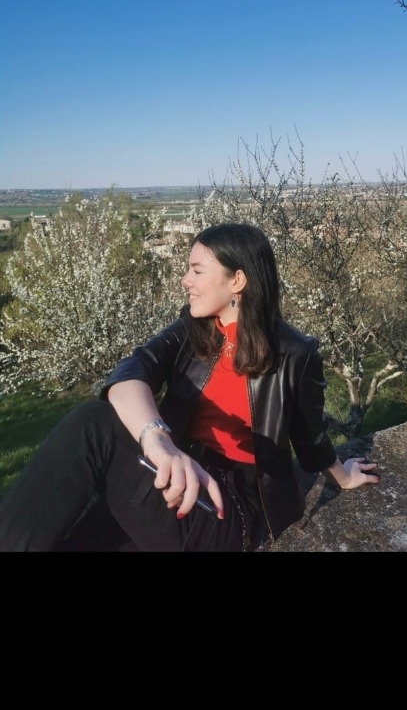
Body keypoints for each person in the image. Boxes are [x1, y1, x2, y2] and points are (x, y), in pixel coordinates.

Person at [0, 222, 380, 552]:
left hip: (228, 507)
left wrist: (344, 477)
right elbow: (130, 372)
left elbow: (310, 438)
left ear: (237, 280)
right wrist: (157, 438)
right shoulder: (192, 329)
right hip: (175, 474)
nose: (185, 280)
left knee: (91, 425)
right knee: (72, 523)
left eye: (197, 270)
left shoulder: (294, 353)